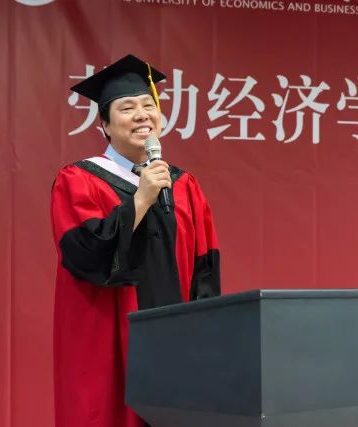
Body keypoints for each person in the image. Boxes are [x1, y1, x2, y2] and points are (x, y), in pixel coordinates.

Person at [50, 54, 221, 427]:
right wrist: (140, 200)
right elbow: (85, 255)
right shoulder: (79, 180)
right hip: (109, 341)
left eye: (148, 106)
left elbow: (204, 273)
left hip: (176, 341)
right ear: (105, 126)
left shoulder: (184, 185)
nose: (142, 115)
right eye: (127, 108)